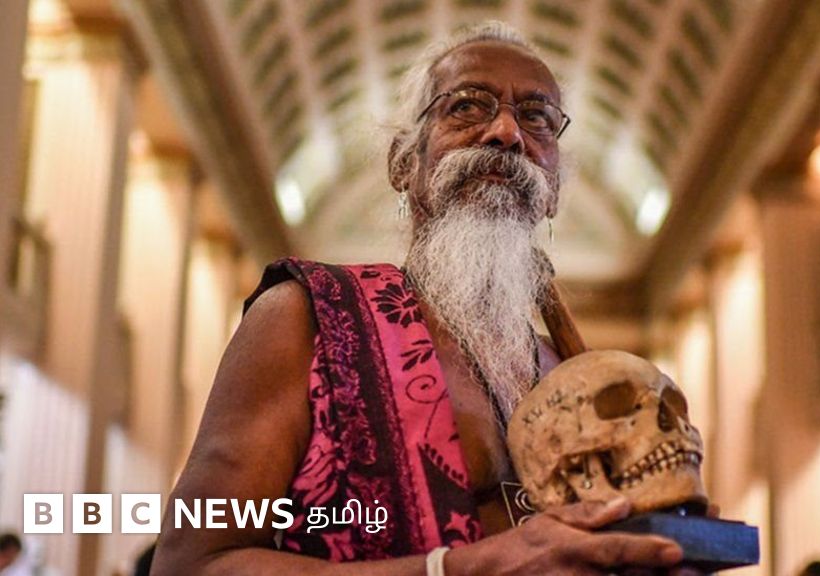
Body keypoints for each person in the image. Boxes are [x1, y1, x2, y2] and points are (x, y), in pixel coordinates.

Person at [153, 21, 698, 575]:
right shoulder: (306, 319)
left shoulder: (572, 374)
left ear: (554, 189)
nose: (507, 132)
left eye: (537, 118)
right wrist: (453, 570)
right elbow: (189, 564)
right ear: (402, 163)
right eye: (467, 106)